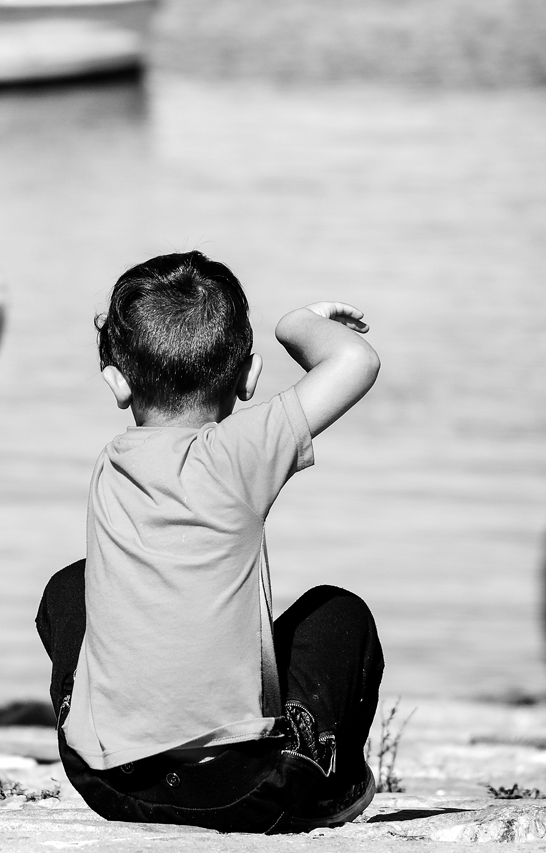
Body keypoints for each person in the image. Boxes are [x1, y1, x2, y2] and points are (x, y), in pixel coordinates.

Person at [36, 251, 383, 833]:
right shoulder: (239, 452)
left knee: (71, 584)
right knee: (339, 612)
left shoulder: (113, 460)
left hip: (107, 780)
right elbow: (355, 359)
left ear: (116, 384)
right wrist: (296, 322)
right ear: (249, 378)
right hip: (244, 791)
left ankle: (84, 719)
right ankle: (329, 781)